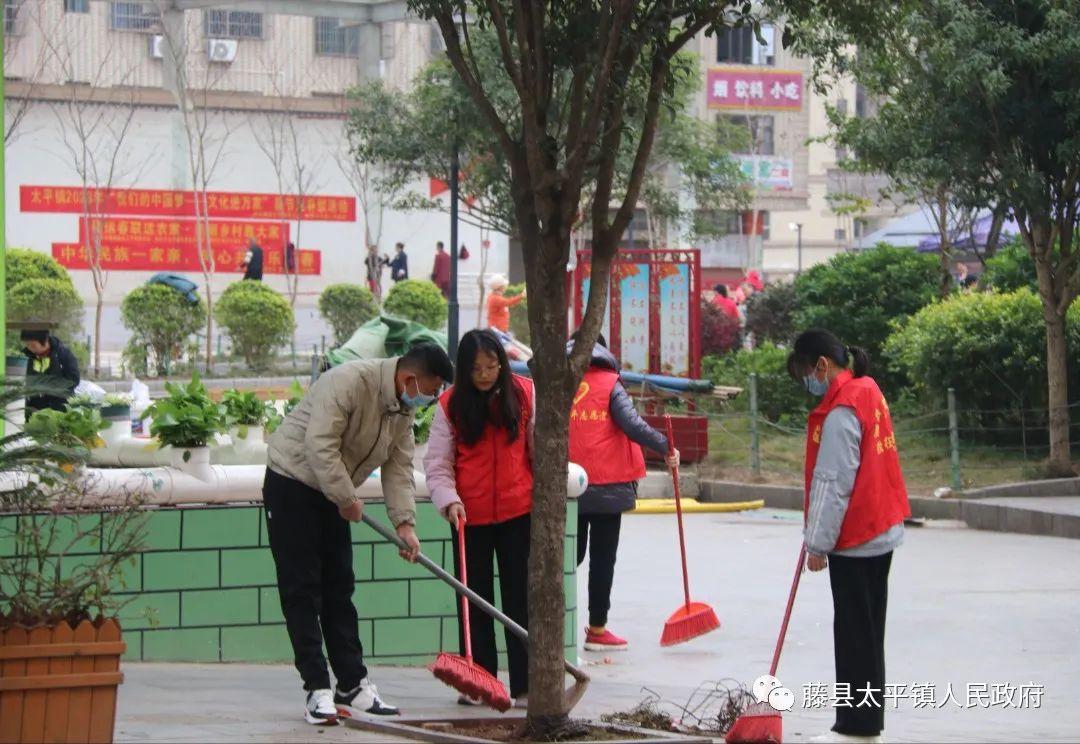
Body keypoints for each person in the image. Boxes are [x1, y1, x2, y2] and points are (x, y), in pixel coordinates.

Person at [264, 344, 454, 726]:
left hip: (335, 491)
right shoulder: (349, 381)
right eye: (429, 391)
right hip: (293, 482)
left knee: (339, 588)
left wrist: (405, 523)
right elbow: (319, 446)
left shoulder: (402, 409)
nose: (429, 399)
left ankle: (351, 684)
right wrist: (347, 497)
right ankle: (317, 688)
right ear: (409, 378)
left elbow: (399, 466)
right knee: (302, 589)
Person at [787, 329, 910, 744]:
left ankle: (856, 728)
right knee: (869, 630)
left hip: (856, 537)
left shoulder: (842, 410)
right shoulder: (868, 389)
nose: (808, 382)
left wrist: (817, 544)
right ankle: (866, 724)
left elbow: (832, 482)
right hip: (882, 529)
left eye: (806, 372)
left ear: (822, 365)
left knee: (855, 632)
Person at [423, 329, 534, 708]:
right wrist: (448, 500)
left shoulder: (524, 394)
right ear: (463, 370)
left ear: (502, 364)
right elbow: (437, 464)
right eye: (476, 369)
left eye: (492, 366)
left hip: (519, 512)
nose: (485, 374)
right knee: (474, 600)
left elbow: (538, 450)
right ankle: (481, 678)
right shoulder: (450, 404)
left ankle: (523, 683)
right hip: (467, 516)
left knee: (519, 599)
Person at [568, 332, 679, 651]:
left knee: (564, 557)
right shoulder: (610, 383)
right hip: (608, 486)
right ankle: (598, 631)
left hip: (564, 484)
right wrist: (665, 445)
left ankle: (552, 623)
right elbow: (632, 424)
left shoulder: (559, 382)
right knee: (602, 560)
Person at [21, 329, 80, 413]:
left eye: (33, 345)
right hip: (37, 413)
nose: (29, 348)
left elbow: (74, 380)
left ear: (45, 341)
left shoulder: (64, 355)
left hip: (60, 412)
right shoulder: (31, 357)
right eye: (27, 345)